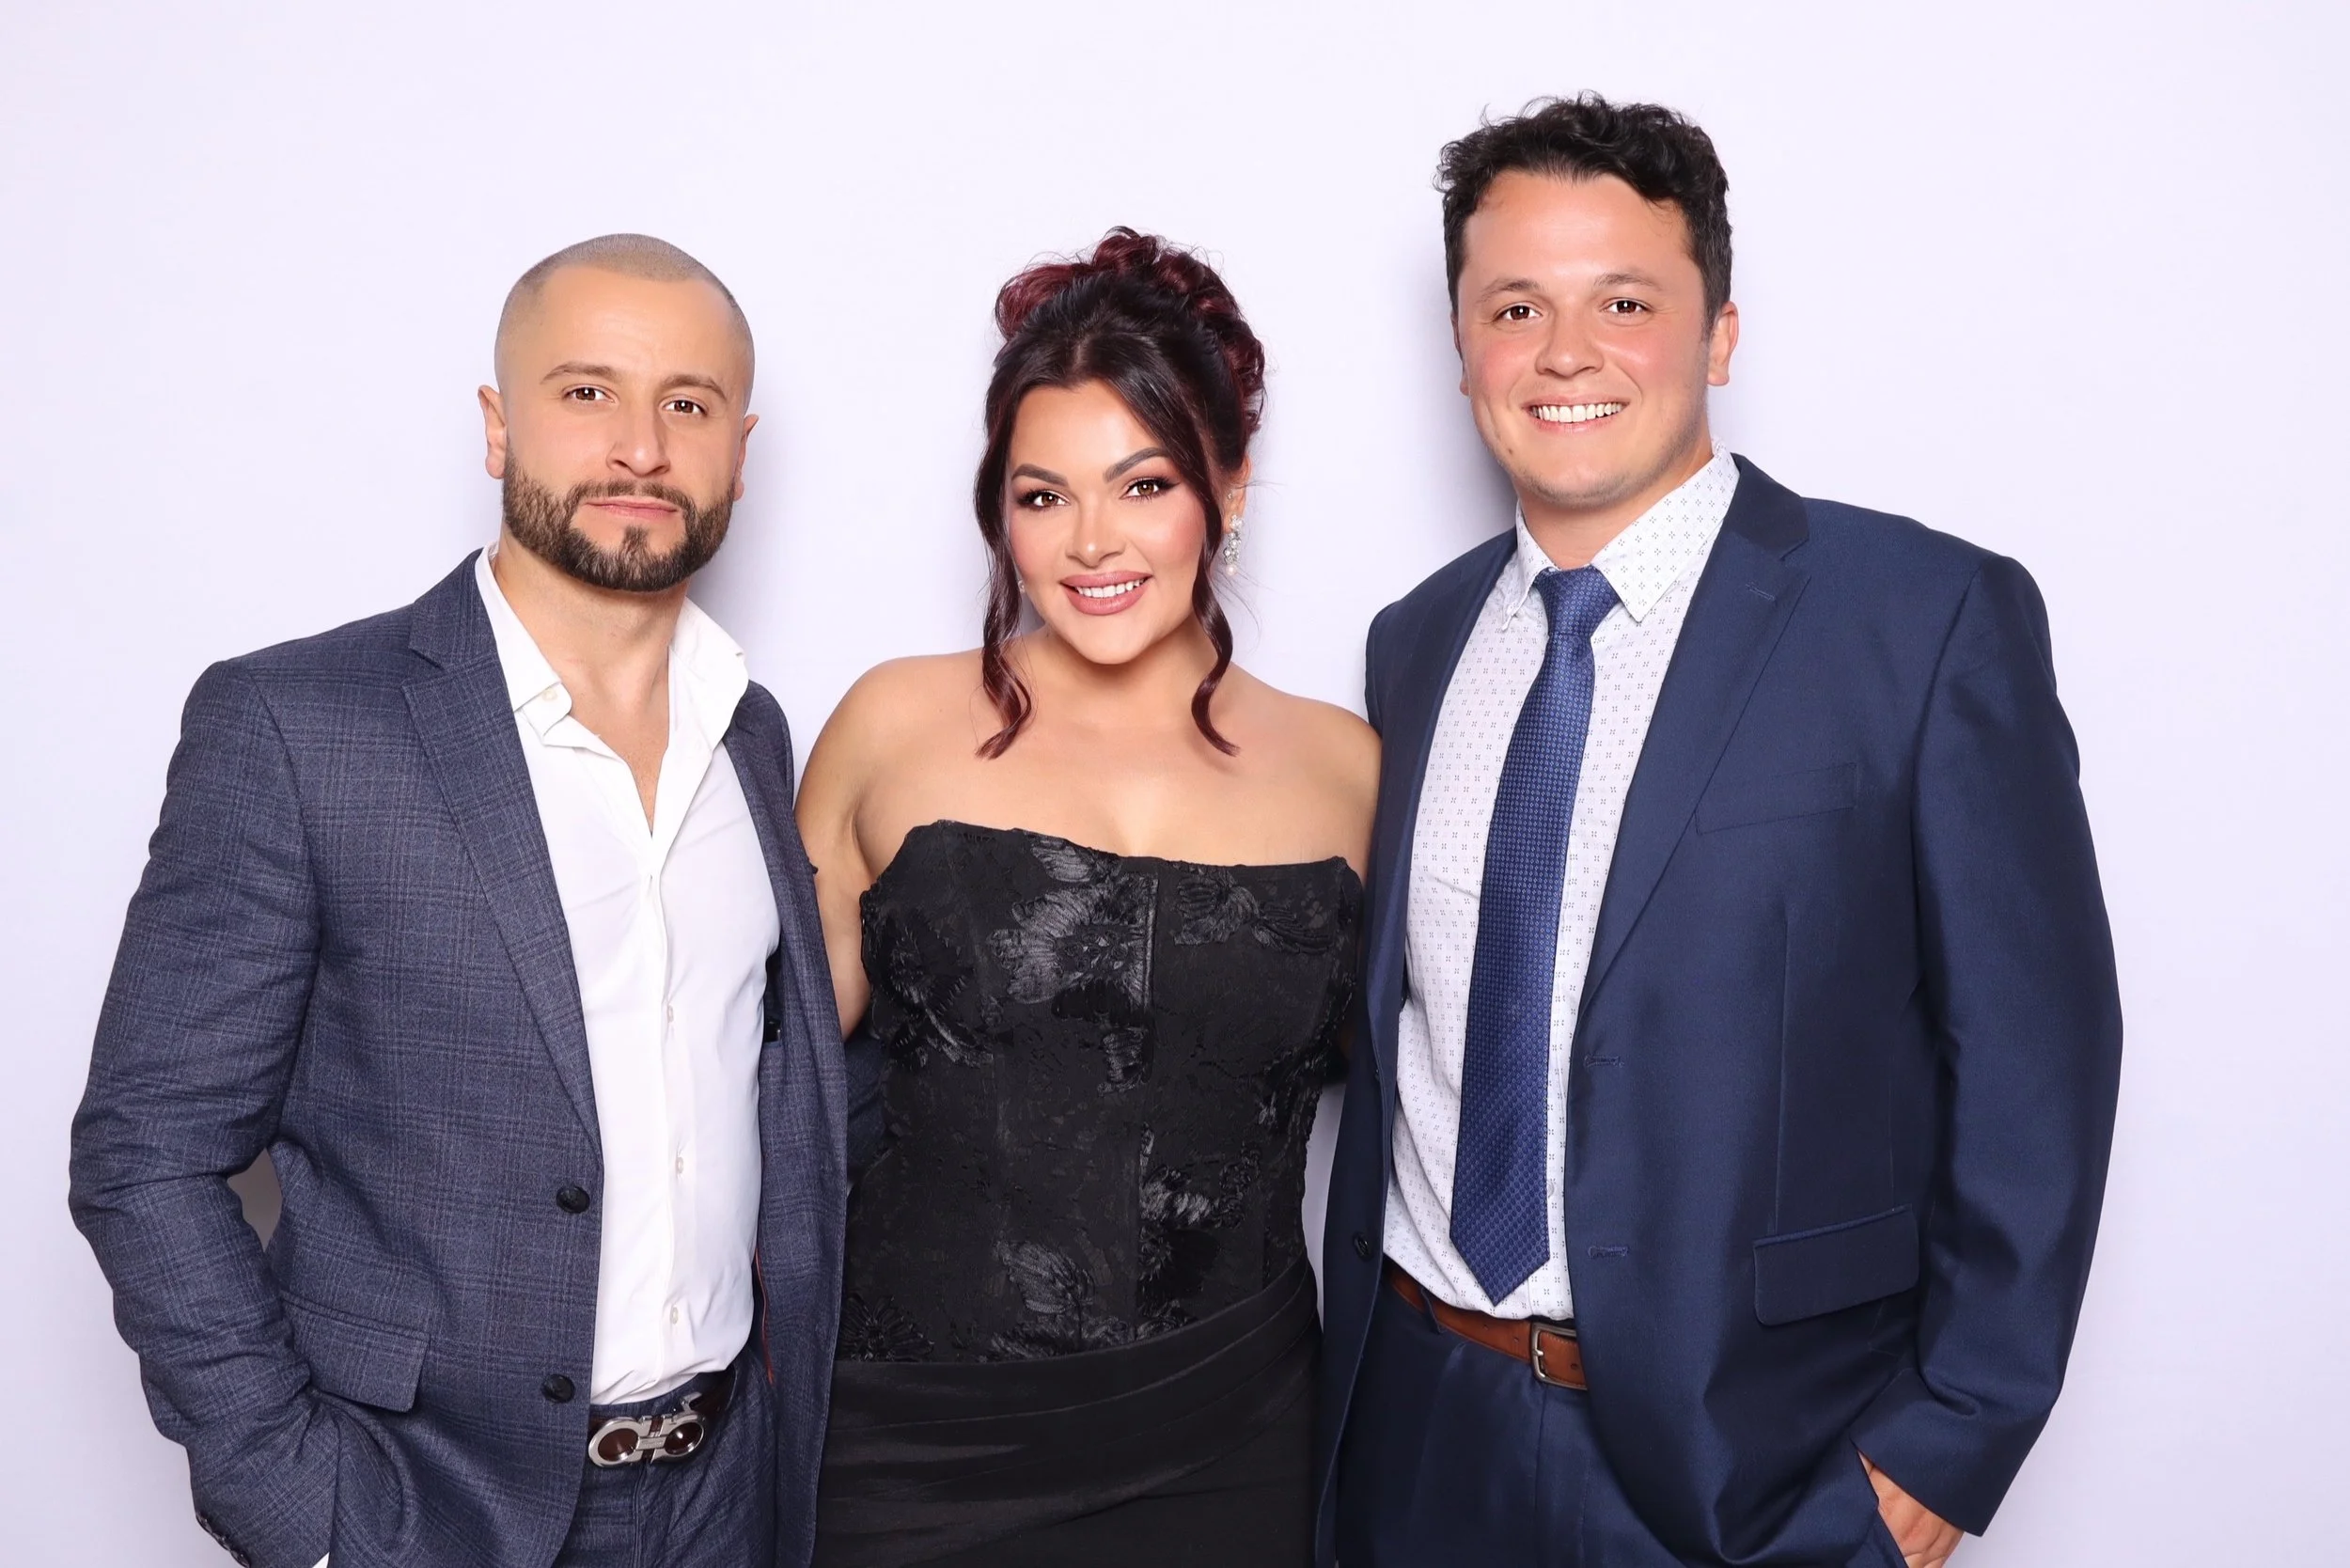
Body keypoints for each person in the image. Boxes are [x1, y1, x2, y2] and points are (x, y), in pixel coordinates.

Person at [1316, 97, 2124, 1567]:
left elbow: (2034, 1065)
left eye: (1625, 301)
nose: (1567, 353)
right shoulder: (1414, 645)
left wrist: (1945, 1446)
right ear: (1461, 350)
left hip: (1751, 1462)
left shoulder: (1922, 620)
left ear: (1721, 335)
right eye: (1516, 307)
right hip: (1413, 1425)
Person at [69, 234, 846, 1568]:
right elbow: (146, 1150)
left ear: (740, 442)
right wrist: (302, 1514)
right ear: (498, 427)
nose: (642, 451)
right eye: (587, 392)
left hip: (731, 1491)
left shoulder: (752, 736)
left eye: (689, 404)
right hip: (429, 1505)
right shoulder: (301, 725)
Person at [796, 227, 1376, 1567]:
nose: (1092, 541)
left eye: (1145, 482)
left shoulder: (1350, 766)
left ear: (1228, 485)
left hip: (1234, 1427)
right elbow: (738, 1076)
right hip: (914, 1438)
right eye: (1043, 495)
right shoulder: (892, 722)